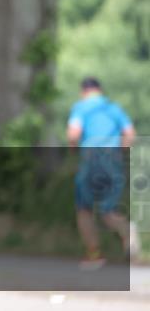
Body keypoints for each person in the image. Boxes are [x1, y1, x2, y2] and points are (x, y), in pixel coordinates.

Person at [66, 76, 136, 270]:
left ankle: (94, 254)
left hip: (90, 160)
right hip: (112, 160)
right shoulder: (114, 108)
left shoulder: (81, 107)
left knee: (84, 208)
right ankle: (128, 233)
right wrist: (120, 152)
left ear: (84, 91)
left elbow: (73, 134)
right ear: (100, 90)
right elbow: (130, 134)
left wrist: (73, 151)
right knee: (108, 211)